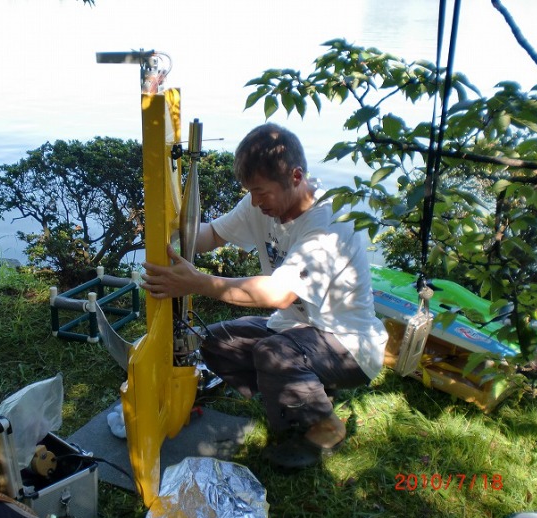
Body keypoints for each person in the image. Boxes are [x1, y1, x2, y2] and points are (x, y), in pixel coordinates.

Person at [141, 123, 388, 469]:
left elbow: (280, 293)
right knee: (215, 341)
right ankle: (300, 390)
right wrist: (162, 234)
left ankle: (326, 426)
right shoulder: (260, 204)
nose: (255, 202)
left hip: (349, 344)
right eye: (251, 192)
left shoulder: (328, 224)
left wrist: (196, 282)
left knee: (274, 353)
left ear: (296, 176)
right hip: (295, 329)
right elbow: (211, 236)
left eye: (261, 192)